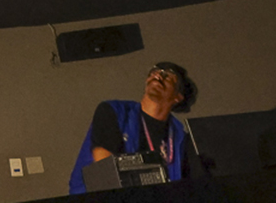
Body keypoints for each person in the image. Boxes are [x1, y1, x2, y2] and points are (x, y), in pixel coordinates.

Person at [68, 61, 200, 194]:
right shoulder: (115, 111)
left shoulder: (180, 138)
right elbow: (105, 170)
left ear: (178, 97)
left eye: (167, 75)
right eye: (154, 71)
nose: (158, 76)